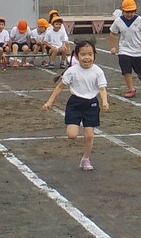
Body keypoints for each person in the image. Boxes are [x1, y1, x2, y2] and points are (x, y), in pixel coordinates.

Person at [42, 38, 109, 171]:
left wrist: (104, 101)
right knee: (72, 135)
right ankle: (73, 125)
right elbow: (60, 86)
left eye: (90, 54)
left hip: (91, 104)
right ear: (77, 56)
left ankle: (86, 159)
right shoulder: (72, 71)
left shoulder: (98, 71)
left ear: (94, 55)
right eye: (83, 54)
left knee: (89, 135)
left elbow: (102, 88)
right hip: (75, 104)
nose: (87, 58)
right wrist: (49, 102)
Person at [110, 0, 141, 98]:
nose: (130, 14)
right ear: (122, 11)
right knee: (126, 69)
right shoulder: (118, 21)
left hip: (138, 51)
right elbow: (113, 33)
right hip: (124, 50)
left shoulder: (139, 20)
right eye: (127, 12)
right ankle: (131, 89)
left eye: (132, 11)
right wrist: (113, 47)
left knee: (139, 69)